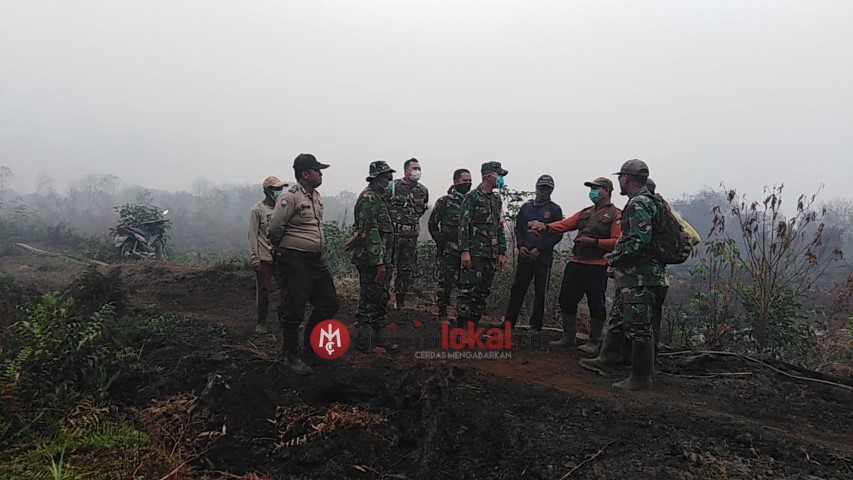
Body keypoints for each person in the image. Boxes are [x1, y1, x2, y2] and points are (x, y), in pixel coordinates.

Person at [579, 159, 665, 391]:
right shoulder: (647, 201)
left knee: (640, 327)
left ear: (626, 179)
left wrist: (614, 257)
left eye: (620, 178)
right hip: (632, 276)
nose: (620, 181)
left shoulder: (639, 203)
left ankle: (641, 377)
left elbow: (638, 242)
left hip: (641, 277)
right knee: (618, 319)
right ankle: (605, 360)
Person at [530, 176, 622, 352]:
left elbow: (617, 241)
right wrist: (546, 227)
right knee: (566, 299)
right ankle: (568, 337)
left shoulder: (615, 214)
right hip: (576, 262)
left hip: (596, 265)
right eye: (591, 189)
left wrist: (594, 242)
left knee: (596, 302)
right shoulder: (585, 212)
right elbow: (565, 224)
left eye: (596, 188)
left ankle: (593, 341)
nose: (592, 192)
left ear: (606, 191)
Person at [268, 153, 340, 375]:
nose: (321, 174)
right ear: (305, 174)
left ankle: (310, 346)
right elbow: (274, 229)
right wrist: (286, 251)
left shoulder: (316, 197)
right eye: (317, 170)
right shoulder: (290, 197)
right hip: (295, 260)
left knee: (329, 303)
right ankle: (290, 356)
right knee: (294, 309)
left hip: (314, 261)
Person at [643, 178, 701, 357]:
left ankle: (644, 362)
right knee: (653, 320)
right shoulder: (667, 213)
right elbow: (694, 237)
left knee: (643, 323)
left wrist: (658, 251)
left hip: (645, 278)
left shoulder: (647, 212)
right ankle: (650, 356)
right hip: (661, 279)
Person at [503, 175, 564, 331]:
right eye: (542, 187)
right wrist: (520, 246)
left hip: (543, 259)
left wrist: (540, 249)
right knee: (517, 289)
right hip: (525, 256)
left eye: (548, 188)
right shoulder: (526, 207)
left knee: (540, 293)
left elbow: (557, 234)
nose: (544, 191)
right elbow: (519, 229)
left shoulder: (555, 210)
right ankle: (508, 323)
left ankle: (535, 326)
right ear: (537, 187)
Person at [351, 161, 400, 353]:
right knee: (369, 300)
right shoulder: (368, 199)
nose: (390, 181)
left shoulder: (380, 198)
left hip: (383, 259)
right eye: (387, 178)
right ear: (377, 178)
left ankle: (380, 338)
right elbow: (370, 232)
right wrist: (379, 263)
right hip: (371, 261)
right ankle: (365, 341)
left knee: (381, 298)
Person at [456, 161, 509, 329]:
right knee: (468, 292)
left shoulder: (496, 199)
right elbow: (463, 225)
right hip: (475, 253)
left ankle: (473, 328)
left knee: (482, 293)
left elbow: (499, 226)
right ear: (488, 176)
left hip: (491, 254)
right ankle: (461, 329)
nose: (500, 179)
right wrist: (465, 251)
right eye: (499, 175)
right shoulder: (472, 197)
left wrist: (502, 252)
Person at [427, 168, 473, 318]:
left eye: (470, 181)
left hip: (468, 251)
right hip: (449, 249)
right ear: (456, 182)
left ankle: (462, 315)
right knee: (445, 282)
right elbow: (432, 223)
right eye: (465, 180)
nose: (468, 183)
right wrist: (440, 240)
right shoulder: (445, 201)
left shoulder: (472, 201)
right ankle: (442, 313)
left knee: (466, 285)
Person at [248, 175, 288, 334]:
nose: (279, 191)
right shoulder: (257, 210)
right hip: (264, 257)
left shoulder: (283, 208)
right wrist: (255, 257)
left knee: (286, 290)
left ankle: (284, 319)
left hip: (281, 256)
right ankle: (261, 322)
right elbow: (253, 235)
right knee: (264, 291)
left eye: (280, 188)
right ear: (267, 190)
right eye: (276, 189)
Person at [388, 158, 429, 310]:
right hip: (394, 234)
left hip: (411, 236)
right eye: (414, 168)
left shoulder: (423, 191)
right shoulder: (393, 186)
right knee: (387, 266)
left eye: (419, 168)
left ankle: (400, 300)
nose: (417, 171)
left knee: (405, 269)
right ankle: (382, 297)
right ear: (406, 170)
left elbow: (421, 210)